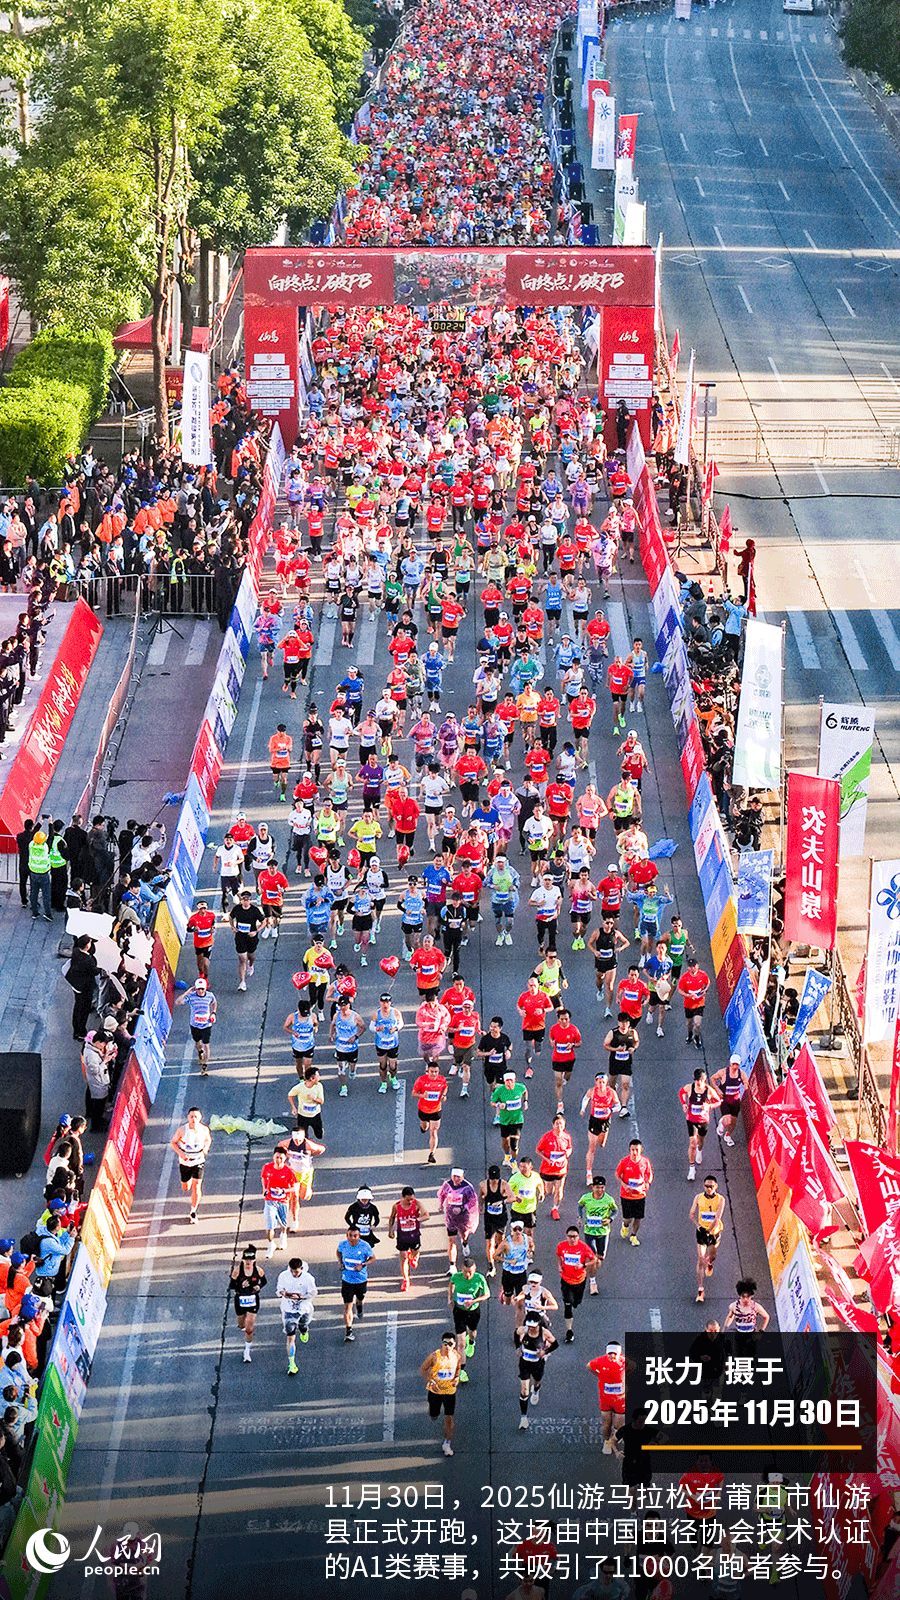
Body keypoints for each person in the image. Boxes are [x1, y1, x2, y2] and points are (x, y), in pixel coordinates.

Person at [447, 1256, 490, 1381]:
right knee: (460, 1343)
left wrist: (473, 1301)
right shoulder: (457, 1277)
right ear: (462, 1269)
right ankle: (462, 1371)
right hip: (459, 1311)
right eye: (465, 1272)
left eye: (470, 1272)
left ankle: (471, 1342)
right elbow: (451, 1284)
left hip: (473, 1312)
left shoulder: (479, 1278)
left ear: (474, 1270)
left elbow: (487, 1294)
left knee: (472, 1332)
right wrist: (450, 1298)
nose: (467, 1275)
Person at [514, 1313, 558, 1429]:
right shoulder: (523, 1330)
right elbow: (516, 1334)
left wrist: (545, 1352)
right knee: (524, 1391)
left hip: (537, 1363)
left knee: (537, 1380)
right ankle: (523, 1417)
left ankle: (536, 1389)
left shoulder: (544, 1333)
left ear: (538, 1325)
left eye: (533, 1327)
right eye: (529, 1326)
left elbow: (555, 1344)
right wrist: (518, 1347)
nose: (531, 1329)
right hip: (524, 1363)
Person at [421, 1331, 461, 1457]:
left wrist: (457, 1378)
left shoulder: (456, 1356)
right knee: (434, 1414)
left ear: (454, 1345)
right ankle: (433, 1412)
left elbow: (458, 1369)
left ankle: (447, 1443)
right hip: (435, 1392)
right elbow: (423, 1369)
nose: (447, 1346)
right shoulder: (434, 1357)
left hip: (450, 1392)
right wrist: (431, 1381)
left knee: (449, 1418)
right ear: (441, 1343)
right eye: (445, 1343)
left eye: (450, 1344)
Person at [681, 1066, 723, 1181]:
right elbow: (681, 1092)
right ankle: (691, 1168)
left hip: (703, 1120)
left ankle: (699, 1151)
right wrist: (684, 1103)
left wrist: (709, 1106)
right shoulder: (690, 1087)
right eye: (696, 1080)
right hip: (691, 1119)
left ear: (704, 1079)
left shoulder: (709, 1090)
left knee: (701, 1140)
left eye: (700, 1080)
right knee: (692, 1143)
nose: (698, 1083)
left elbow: (718, 1101)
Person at [556, 1226, 598, 1342]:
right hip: (566, 1280)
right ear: (566, 1237)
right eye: (570, 1236)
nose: (572, 1239)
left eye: (574, 1236)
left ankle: (576, 1301)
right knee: (567, 1304)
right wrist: (560, 1265)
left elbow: (594, 1259)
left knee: (577, 1302)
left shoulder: (583, 1247)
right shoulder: (561, 1246)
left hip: (580, 1280)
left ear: (578, 1237)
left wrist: (583, 1265)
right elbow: (559, 1255)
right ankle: (569, 1331)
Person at [170, 1108, 211, 1224]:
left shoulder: (204, 1129)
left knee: (197, 1185)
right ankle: (189, 1181)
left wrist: (205, 1149)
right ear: (188, 1117)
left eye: (196, 1117)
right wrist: (181, 1154)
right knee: (186, 1187)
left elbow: (208, 1139)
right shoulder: (182, 1130)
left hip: (198, 1161)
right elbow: (173, 1143)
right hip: (185, 1162)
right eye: (191, 1116)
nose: (193, 1119)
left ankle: (193, 1211)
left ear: (200, 1118)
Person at [276, 1257, 317, 1373]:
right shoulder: (283, 1276)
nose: (294, 1274)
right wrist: (284, 1293)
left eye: (297, 1272)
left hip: (304, 1309)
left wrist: (301, 1297)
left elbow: (313, 1293)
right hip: (288, 1310)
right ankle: (292, 1364)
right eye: (292, 1271)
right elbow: (279, 1290)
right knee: (290, 1337)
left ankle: (304, 1330)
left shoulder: (308, 1278)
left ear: (301, 1269)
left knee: (303, 1325)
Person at [588, 1340, 629, 1453]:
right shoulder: (600, 1361)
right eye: (610, 1353)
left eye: (615, 1353)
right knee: (606, 1425)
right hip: (605, 1400)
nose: (612, 1356)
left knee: (618, 1426)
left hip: (620, 1401)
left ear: (619, 1353)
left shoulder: (626, 1362)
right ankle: (607, 1441)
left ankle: (614, 1438)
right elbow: (589, 1366)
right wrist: (599, 1375)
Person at [690, 1176, 727, 1304]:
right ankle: (700, 1289)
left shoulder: (721, 1199)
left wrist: (709, 1231)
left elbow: (717, 1218)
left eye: (711, 1186)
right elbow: (691, 1214)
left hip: (713, 1233)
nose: (709, 1189)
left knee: (712, 1256)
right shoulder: (698, 1197)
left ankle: (710, 1262)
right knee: (700, 1258)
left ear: (716, 1186)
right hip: (701, 1232)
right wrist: (698, 1226)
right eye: (706, 1186)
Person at [336, 1224, 374, 1342]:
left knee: (360, 1298)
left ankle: (360, 1306)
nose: (353, 1238)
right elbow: (338, 1252)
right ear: (347, 1236)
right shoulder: (343, 1244)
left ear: (359, 1236)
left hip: (360, 1280)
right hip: (347, 1280)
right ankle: (349, 1331)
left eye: (355, 1236)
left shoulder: (365, 1246)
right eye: (350, 1235)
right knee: (347, 1305)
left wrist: (363, 1265)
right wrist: (340, 1262)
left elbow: (372, 1258)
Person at [579, 1073, 621, 1180]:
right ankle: (589, 1172)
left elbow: (618, 1106)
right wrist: (583, 1109)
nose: (601, 1084)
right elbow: (585, 1099)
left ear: (606, 1083)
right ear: (596, 1082)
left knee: (602, 1144)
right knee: (592, 1147)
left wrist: (610, 1110)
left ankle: (601, 1136)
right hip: (594, 1121)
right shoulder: (592, 1091)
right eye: (599, 1082)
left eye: (603, 1082)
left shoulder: (611, 1092)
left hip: (605, 1121)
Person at [436, 1167, 479, 1272]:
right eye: (454, 1176)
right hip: (451, 1218)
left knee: (464, 1234)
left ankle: (465, 1242)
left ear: (462, 1177)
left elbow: (473, 1202)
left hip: (463, 1217)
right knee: (451, 1240)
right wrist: (440, 1205)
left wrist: (466, 1210)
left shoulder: (467, 1187)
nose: (456, 1179)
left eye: (458, 1177)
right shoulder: (447, 1185)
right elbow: (442, 1194)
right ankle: (452, 1265)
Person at [261, 1146, 299, 1260]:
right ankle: (271, 1244)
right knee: (269, 1224)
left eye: (281, 1158)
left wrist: (283, 1191)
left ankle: (283, 1236)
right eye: (277, 1157)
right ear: (273, 1157)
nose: (278, 1160)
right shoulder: (267, 1167)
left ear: (285, 1158)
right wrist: (264, 1188)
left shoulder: (289, 1171)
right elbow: (263, 1177)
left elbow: (295, 1187)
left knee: (283, 1223)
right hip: (270, 1200)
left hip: (283, 1200)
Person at [577, 1176, 618, 1281]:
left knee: (600, 1257)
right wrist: (580, 1217)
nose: (600, 1190)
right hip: (589, 1231)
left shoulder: (609, 1199)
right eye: (597, 1187)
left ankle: (594, 1263)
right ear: (593, 1187)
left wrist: (610, 1219)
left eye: (602, 1187)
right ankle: (592, 1280)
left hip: (603, 1232)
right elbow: (580, 1206)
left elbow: (615, 1211)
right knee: (592, 1256)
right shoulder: (586, 1198)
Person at [587, 915, 630, 1015]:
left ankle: (608, 1009)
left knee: (610, 986)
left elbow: (626, 942)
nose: (609, 925)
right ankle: (599, 990)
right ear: (603, 923)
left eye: (611, 923)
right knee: (599, 979)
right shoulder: (597, 932)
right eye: (607, 923)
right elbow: (589, 944)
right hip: (600, 961)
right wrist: (594, 951)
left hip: (611, 962)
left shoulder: (616, 933)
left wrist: (620, 948)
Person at [388, 1186, 429, 1291]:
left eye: (412, 1199)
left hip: (414, 1235)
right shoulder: (396, 1206)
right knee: (403, 1256)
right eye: (408, 1200)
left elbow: (427, 1215)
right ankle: (406, 1279)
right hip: (402, 1235)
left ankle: (414, 1256)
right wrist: (390, 1230)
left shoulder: (417, 1204)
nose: (410, 1202)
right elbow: (392, 1217)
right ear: (402, 1197)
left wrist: (417, 1219)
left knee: (416, 1251)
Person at [615, 1138, 654, 1246]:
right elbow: (617, 1175)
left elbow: (649, 1174)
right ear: (629, 1150)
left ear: (641, 1150)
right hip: (626, 1195)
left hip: (640, 1194)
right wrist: (624, 1185)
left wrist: (648, 1183)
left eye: (637, 1150)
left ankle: (633, 1235)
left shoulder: (645, 1161)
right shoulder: (624, 1162)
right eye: (632, 1150)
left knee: (638, 1217)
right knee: (627, 1218)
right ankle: (625, 1226)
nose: (635, 1152)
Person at [176, 976, 217, 1074]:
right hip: (195, 1025)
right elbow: (178, 1002)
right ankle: (200, 1052)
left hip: (206, 1025)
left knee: (206, 1045)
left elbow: (214, 1002)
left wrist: (213, 1013)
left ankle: (205, 1067)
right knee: (198, 1043)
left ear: (205, 988)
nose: (201, 991)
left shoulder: (210, 995)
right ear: (195, 989)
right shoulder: (191, 997)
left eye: (202, 989)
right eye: (198, 989)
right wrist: (187, 993)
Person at [535, 1113, 573, 1219]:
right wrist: (547, 1160)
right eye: (557, 1124)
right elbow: (538, 1150)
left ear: (564, 1125)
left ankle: (555, 1208)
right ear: (553, 1125)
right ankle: (544, 1189)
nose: (559, 1126)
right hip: (548, 1169)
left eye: (561, 1124)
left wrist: (567, 1153)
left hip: (561, 1169)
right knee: (549, 1191)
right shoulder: (546, 1137)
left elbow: (569, 1148)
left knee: (559, 1190)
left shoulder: (567, 1137)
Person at [604, 1013, 640, 1118]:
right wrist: (616, 1049)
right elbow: (606, 1045)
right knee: (611, 1084)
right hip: (615, 1061)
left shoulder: (632, 1032)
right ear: (618, 1023)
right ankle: (614, 1096)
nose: (624, 1025)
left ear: (629, 1023)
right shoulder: (613, 1033)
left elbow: (636, 1041)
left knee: (625, 1085)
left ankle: (624, 1107)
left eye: (626, 1022)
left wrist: (634, 1048)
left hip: (626, 1062)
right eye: (622, 1022)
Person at [412, 1057, 448, 1165]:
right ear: (427, 1071)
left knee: (433, 1132)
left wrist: (443, 1095)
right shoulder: (421, 1080)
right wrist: (423, 1095)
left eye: (436, 1072)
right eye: (432, 1072)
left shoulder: (441, 1079)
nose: (434, 1074)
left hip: (436, 1110)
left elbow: (445, 1087)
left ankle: (432, 1154)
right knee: (425, 1127)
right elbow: (414, 1093)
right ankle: (423, 1126)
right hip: (423, 1109)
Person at [329, 994, 367, 1095]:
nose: (343, 1008)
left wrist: (355, 1036)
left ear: (349, 1005)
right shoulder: (337, 1015)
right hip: (340, 1047)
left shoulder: (355, 1016)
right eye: (341, 1005)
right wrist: (331, 1035)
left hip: (352, 1047)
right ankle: (343, 1087)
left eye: (344, 1005)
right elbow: (332, 1025)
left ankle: (352, 1070)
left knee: (352, 1065)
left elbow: (363, 1027)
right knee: (341, 1068)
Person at [491, 1069, 528, 1165]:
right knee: (505, 1141)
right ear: (504, 1081)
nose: (509, 1083)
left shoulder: (520, 1087)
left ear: (514, 1080)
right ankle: (507, 1155)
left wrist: (525, 1101)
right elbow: (492, 1102)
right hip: (504, 1120)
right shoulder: (499, 1091)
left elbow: (525, 1091)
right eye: (507, 1081)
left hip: (517, 1120)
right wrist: (499, 1105)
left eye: (511, 1080)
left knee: (514, 1144)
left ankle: (513, 1161)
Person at [724, 1277, 770, 1353]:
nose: (745, 1299)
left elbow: (766, 1317)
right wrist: (725, 1328)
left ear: (751, 1296)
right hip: (739, 1334)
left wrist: (761, 1331)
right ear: (740, 1295)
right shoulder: (734, 1306)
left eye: (748, 1297)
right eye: (743, 1297)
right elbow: (730, 1316)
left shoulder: (756, 1307)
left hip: (751, 1335)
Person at [230, 888, 264, 991]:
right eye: (243, 900)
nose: (245, 902)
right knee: (242, 958)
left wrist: (256, 931)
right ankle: (242, 982)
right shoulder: (237, 909)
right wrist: (233, 927)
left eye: (247, 900)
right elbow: (231, 917)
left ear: (250, 900)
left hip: (251, 937)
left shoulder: (254, 910)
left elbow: (263, 922)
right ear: (241, 900)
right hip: (240, 936)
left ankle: (251, 964)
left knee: (251, 956)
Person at [508, 1154, 544, 1253]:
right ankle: (515, 1250)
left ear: (530, 1167)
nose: (522, 1169)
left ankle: (529, 1250)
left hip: (530, 1210)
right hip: (517, 1210)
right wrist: (515, 1197)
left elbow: (540, 1183)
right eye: (520, 1166)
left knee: (529, 1232)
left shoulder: (535, 1176)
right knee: (516, 1232)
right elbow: (507, 1191)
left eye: (524, 1167)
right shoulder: (515, 1178)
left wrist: (541, 1192)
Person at [712, 1053, 749, 1147]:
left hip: (735, 1100)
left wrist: (745, 1085)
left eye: (737, 1064)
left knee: (733, 1123)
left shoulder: (742, 1074)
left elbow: (746, 1082)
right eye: (733, 1064)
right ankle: (721, 1122)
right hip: (725, 1100)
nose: (735, 1066)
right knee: (727, 1120)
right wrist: (717, 1089)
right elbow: (713, 1078)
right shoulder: (723, 1072)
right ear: (730, 1063)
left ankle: (727, 1136)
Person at [548, 1010, 581, 1114]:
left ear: (569, 1019)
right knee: (558, 1082)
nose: (564, 1021)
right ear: (558, 1019)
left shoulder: (574, 1030)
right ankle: (560, 1104)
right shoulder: (554, 1028)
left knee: (567, 1076)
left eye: (566, 1019)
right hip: (557, 1058)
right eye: (562, 1019)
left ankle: (565, 1078)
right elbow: (551, 1037)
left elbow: (579, 1042)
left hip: (569, 1058)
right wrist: (552, 1042)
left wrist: (573, 1045)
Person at [371, 993, 403, 1093]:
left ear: (390, 1003)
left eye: (387, 1003)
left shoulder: (396, 1012)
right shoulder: (376, 1013)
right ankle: (383, 1082)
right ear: (380, 1002)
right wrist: (377, 1029)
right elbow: (371, 1027)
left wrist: (396, 1028)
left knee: (393, 1065)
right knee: (382, 1065)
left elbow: (401, 1023)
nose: (385, 1005)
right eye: (383, 1003)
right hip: (381, 1044)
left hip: (393, 1043)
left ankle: (393, 1077)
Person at [678, 955, 711, 1048]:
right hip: (688, 1004)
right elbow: (680, 990)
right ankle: (690, 1034)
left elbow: (708, 982)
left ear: (697, 966)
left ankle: (696, 1038)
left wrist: (705, 990)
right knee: (689, 1023)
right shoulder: (684, 978)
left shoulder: (702, 974)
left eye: (694, 966)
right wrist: (688, 995)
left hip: (699, 1003)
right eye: (690, 966)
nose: (692, 968)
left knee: (697, 1024)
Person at [186, 900, 216, 977]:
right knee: (200, 961)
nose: (202, 911)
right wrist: (194, 929)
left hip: (208, 942)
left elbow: (213, 924)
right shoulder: (193, 918)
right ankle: (201, 972)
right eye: (201, 909)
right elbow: (188, 929)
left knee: (206, 963)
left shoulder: (211, 915)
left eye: (204, 908)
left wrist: (212, 928)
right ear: (197, 909)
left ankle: (205, 978)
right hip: (198, 943)